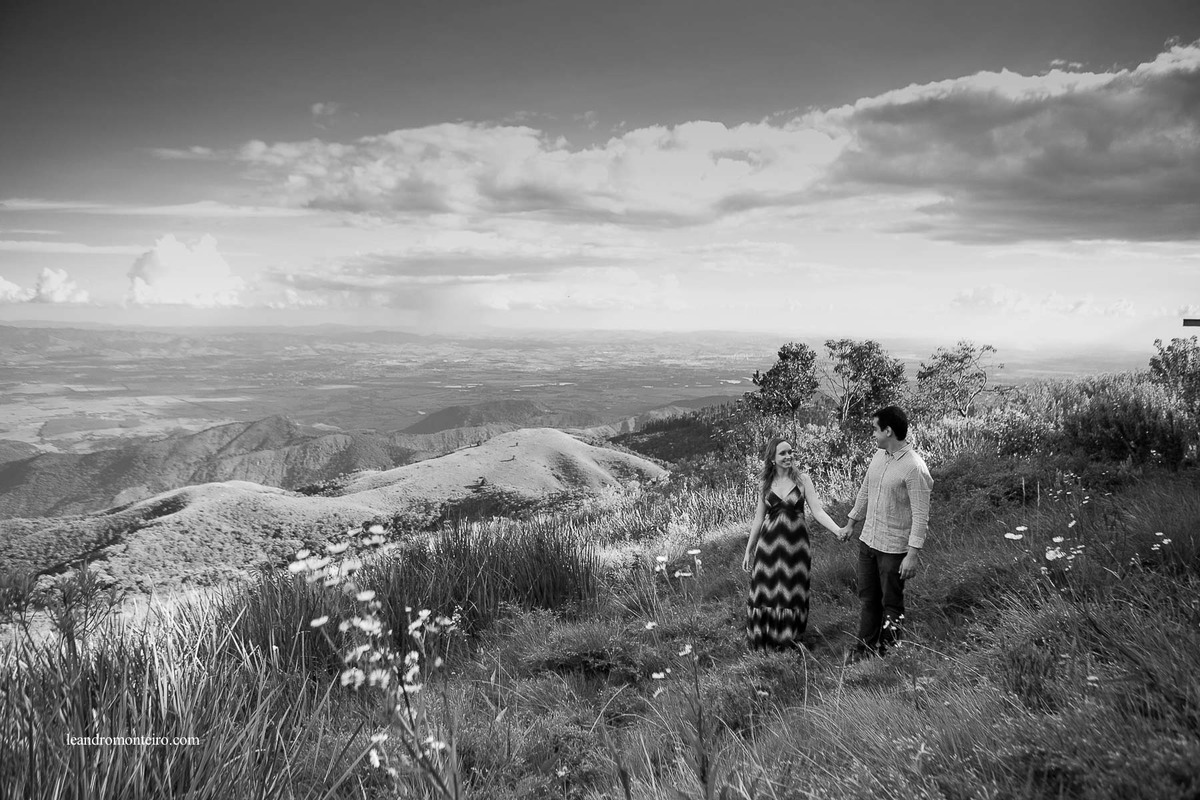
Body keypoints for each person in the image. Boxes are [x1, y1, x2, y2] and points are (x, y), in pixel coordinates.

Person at [838, 405, 933, 660]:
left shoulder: (914, 468)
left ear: (888, 431)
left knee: (891, 603)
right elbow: (865, 490)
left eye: (875, 429)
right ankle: (865, 649)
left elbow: (921, 515)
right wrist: (851, 523)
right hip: (869, 541)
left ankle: (889, 654)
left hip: (894, 549)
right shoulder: (879, 456)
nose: (873, 434)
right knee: (869, 599)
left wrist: (912, 555)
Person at [743, 435, 847, 651]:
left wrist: (837, 530)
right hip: (768, 548)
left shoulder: (803, 480)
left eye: (790, 452)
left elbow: (818, 511)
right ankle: (765, 640)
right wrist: (748, 550)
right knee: (767, 590)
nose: (788, 456)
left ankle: (788, 640)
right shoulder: (765, 485)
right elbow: (758, 519)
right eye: (783, 453)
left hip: (796, 547)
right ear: (772, 458)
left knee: (792, 591)